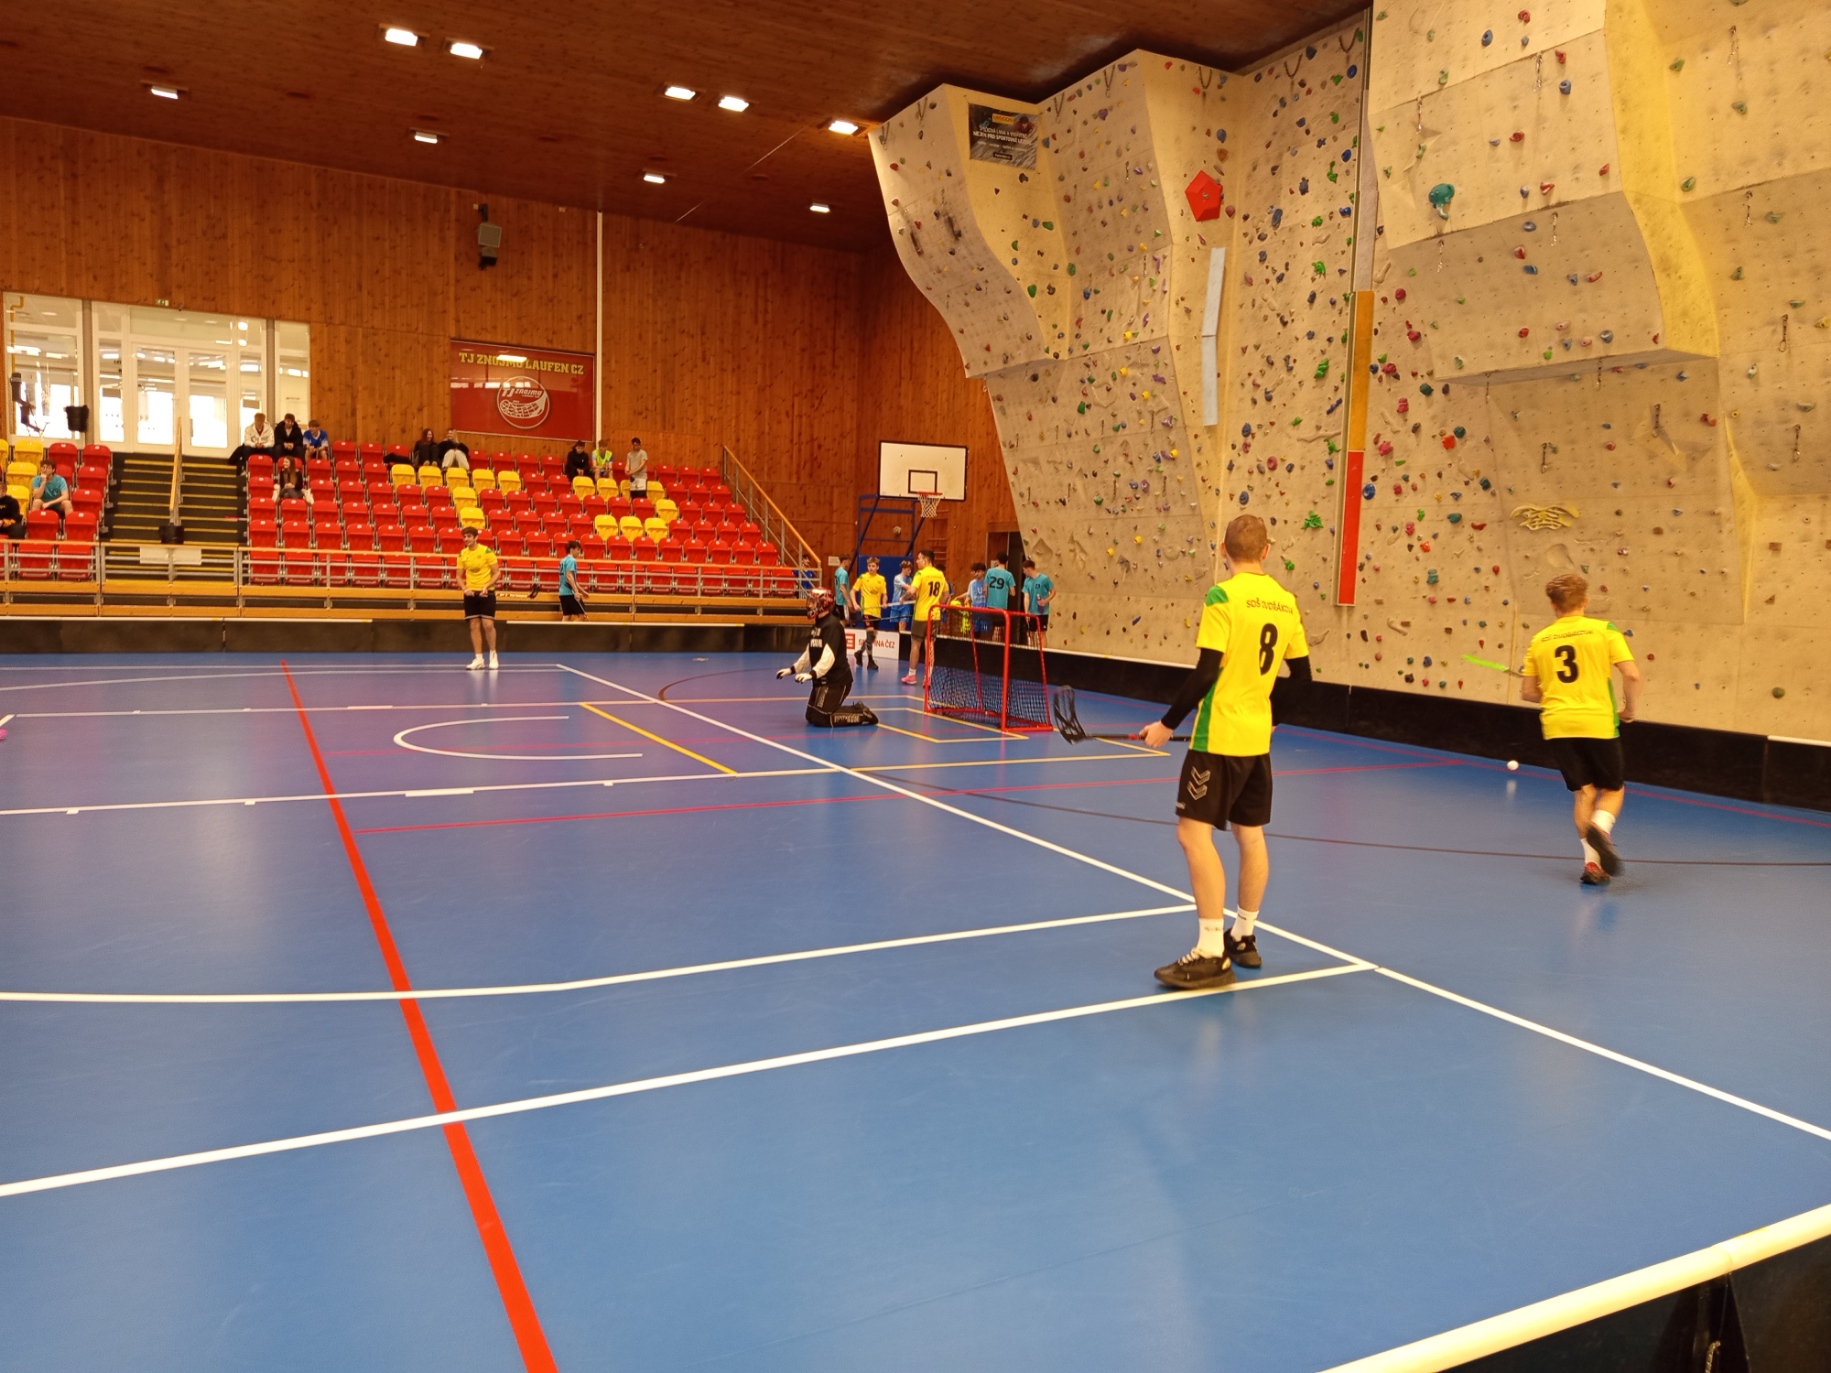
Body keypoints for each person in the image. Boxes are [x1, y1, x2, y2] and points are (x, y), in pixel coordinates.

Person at [1141, 514, 1312, 990]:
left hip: (1217, 738)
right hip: (1256, 739)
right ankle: (1244, 935)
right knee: (1250, 834)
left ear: (1222, 550)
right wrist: (1271, 717)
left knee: (1192, 835)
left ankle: (1211, 951)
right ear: (1267, 550)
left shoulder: (1222, 597)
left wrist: (1166, 724)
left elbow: (1206, 671)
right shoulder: (1286, 601)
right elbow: (1303, 680)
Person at [1520, 572, 1641, 886]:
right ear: (1585, 601)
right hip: (1597, 721)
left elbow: (1528, 693)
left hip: (1558, 724)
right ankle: (1600, 828)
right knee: (1612, 789)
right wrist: (1629, 709)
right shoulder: (1604, 630)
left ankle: (1592, 865)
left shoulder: (1540, 640)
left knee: (1584, 791)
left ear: (1553, 604)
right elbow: (1632, 675)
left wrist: (1554, 693)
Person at [777, 589, 879, 727]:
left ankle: (861, 713)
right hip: (821, 681)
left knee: (822, 718)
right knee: (811, 716)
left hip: (835, 681)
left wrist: (812, 674)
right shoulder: (817, 624)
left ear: (823, 604)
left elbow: (828, 656)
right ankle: (848, 709)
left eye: (813, 602)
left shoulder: (833, 626)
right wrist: (793, 669)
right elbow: (810, 651)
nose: (809, 605)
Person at [901, 549, 949, 686]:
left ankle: (912, 675)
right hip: (935, 615)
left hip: (921, 615)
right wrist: (939, 604)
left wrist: (903, 598)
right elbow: (946, 594)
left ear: (926, 560)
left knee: (916, 644)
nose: (917, 561)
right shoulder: (940, 574)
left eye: (919, 558)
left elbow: (912, 590)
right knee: (930, 645)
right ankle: (928, 678)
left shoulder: (920, 574)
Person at [456, 524, 500, 668]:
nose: (466, 539)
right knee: (474, 625)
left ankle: (493, 655)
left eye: (469, 536)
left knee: (488, 624)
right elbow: (458, 576)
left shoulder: (487, 551)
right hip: (471, 593)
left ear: (476, 537)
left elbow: (497, 573)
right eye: (464, 537)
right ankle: (479, 659)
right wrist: (464, 588)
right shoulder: (462, 554)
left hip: (486, 592)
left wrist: (486, 586)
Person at [852, 555, 887, 670]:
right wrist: (855, 604)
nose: (871, 568)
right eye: (869, 566)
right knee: (870, 633)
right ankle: (870, 661)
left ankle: (859, 653)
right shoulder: (863, 577)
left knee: (872, 637)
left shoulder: (881, 579)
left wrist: (884, 602)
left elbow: (884, 594)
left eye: (873, 566)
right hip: (866, 610)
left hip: (877, 611)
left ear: (877, 567)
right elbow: (853, 591)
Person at [983, 552, 1017, 641]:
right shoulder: (1008, 575)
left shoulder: (990, 571)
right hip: (1001, 606)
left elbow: (985, 589)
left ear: (997, 560)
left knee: (990, 628)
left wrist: (988, 598)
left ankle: (990, 644)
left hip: (990, 604)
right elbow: (1013, 593)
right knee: (999, 628)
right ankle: (996, 645)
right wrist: (1005, 590)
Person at [1022, 558, 1054, 647]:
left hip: (1042, 611)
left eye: (1024, 570)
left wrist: (1045, 600)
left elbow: (1053, 592)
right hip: (1032, 612)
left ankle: (1043, 652)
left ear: (1028, 569)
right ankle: (1031, 651)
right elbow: (1026, 597)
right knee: (1030, 633)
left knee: (1042, 634)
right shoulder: (1027, 581)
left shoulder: (1044, 579)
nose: (1023, 572)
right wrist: (1026, 612)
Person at [557, 539, 588, 621]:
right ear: (571, 550)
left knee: (567, 616)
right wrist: (576, 592)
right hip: (570, 593)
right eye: (577, 549)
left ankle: (561, 630)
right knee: (582, 616)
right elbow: (569, 576)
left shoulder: (563, 561)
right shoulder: (572, 560)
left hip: (562, 593)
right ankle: (572, 630)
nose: (579, 552)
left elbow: (572, 579)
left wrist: (583, 591)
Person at [958, 561, 990, 638]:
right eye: (975, 572)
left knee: (985, 632)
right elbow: (969, 594)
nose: (976, 574)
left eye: (979, 571)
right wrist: (966, 599)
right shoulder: (972, 583)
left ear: (983, 572)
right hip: (975, 611)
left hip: (985, 610)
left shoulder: (987, 582)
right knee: (975, 632)